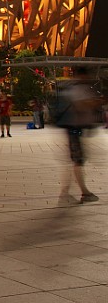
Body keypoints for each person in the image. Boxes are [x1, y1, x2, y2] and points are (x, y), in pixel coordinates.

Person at [56, 67, 100, 205]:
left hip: (74, 128)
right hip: (73, 128)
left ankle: (67, 193)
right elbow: (80, 106)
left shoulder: (71, 87)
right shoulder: (77, 88)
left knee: (75, 160)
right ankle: (83, 192)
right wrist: (95, 102)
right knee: (77, 160)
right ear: (81, 75)